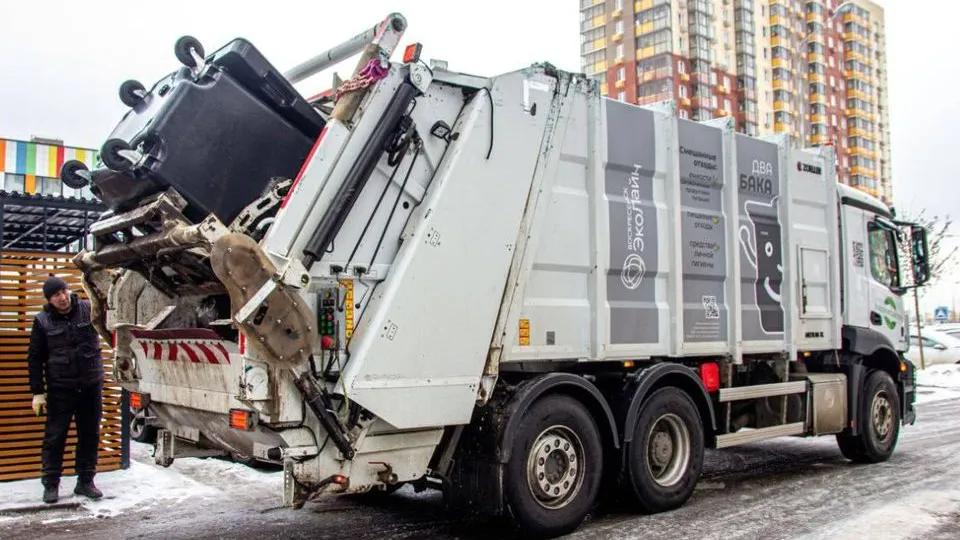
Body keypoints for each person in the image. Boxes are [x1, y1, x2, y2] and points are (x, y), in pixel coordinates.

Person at [27, 276, 105, 504]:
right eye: (55, 295)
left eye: (63, 291)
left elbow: (110, 327)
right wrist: (37, 392)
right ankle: (51, 484)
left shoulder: (88, 309)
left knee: (90, 435)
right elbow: (34, 358)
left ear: (68, 290)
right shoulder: (42, 321)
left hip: (91, 386)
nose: (61, 298)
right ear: (49, 300)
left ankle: (86, 481)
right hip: (61, 388)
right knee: (55, 437)